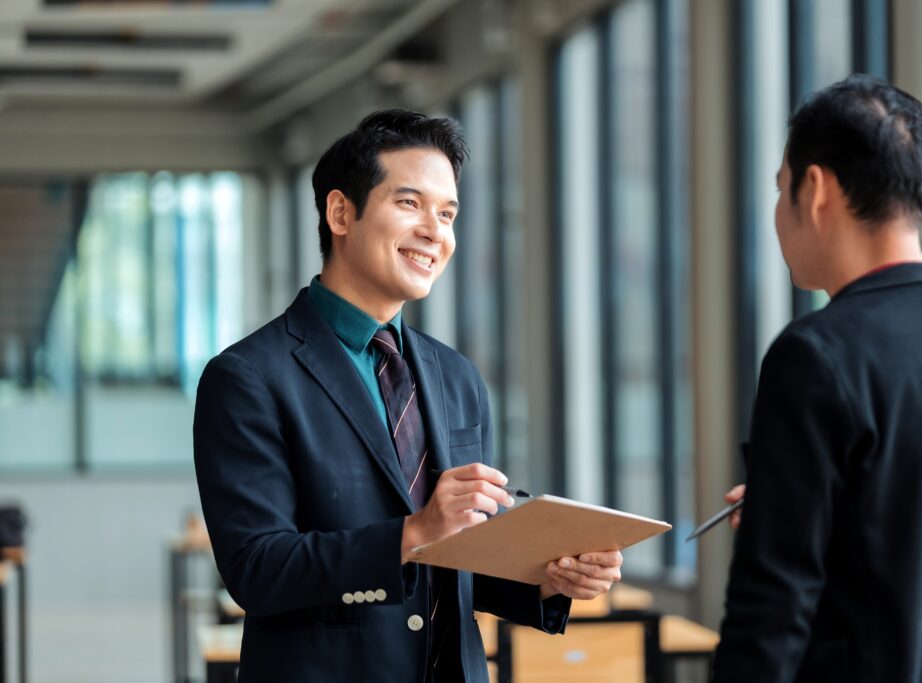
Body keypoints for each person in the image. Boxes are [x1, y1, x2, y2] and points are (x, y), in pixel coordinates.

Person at [193, 109, 623, 682]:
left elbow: (458, 558)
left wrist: (548, 576)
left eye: (447, 213)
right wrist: (413, 533)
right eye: (410, 204)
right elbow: (257, 569)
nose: (434, 231)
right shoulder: (248, 376)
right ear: (340, 212)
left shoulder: (456, 375)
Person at [712, 74, 922, 682]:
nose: (779, 215)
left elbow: (770, 616)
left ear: (817, 188)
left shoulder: (817, 354)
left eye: (782, 190)